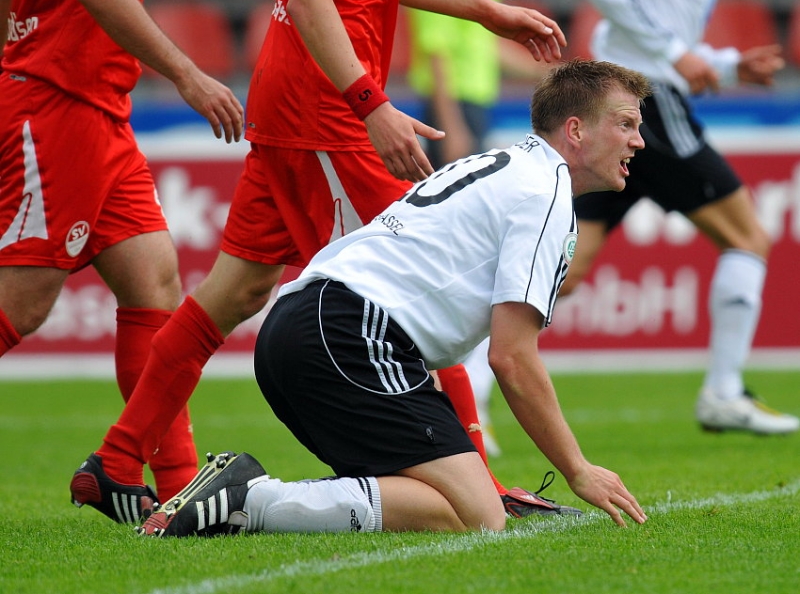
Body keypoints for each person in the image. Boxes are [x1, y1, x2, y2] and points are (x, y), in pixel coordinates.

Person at [69, 0, 571, 524]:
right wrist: (371, 104)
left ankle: (122, 459)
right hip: (327, 110)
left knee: (232, 294)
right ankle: (487, 488)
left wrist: (485, 11)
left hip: (299, 99)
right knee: (410, 289)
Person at [136, 59, 652, 538]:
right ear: (576, 130)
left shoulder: (510, 166)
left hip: (309, 328)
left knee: (452, 506)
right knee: (480, 516)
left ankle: (244, 499)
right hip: (348, 335)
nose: (639, 141)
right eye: (626, 124)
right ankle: (248, 498)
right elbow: (511, 357)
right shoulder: (544, 192)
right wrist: (578, 470)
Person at [0, 0, 244, 518]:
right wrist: (187, 74)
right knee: (21, 304)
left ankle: (173, 488)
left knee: (153, 283)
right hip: (55, 102)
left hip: (100, 109)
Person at [559, 0, 798, 435]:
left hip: (619, 96)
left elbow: (661, 31)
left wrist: (726, 67)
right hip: (648, 100)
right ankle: (724, 393)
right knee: (747, 237)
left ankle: (465, 386)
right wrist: (676, 55)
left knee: (563, 273)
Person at [406, 5, 554, 454]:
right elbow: (436, 58)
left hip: (473, 110)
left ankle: (467, 403)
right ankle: (461, 404)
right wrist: (450, 124)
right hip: (453, 111)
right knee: (461, 260)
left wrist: (556, 77)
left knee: (472, 261)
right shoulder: (444, 7)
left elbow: (487, 52)